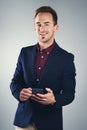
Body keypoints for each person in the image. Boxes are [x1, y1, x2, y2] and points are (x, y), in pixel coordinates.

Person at [10, 6, 76, 130]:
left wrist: (54, 99)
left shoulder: (66, 58)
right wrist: (19, 93)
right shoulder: (24, 52)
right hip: (24, 121)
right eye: (38, 24)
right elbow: (15, 82)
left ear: (55, 27)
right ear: (34, 27)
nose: (42, 28)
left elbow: (69, 94)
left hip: (50, 123)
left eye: (46, 24)